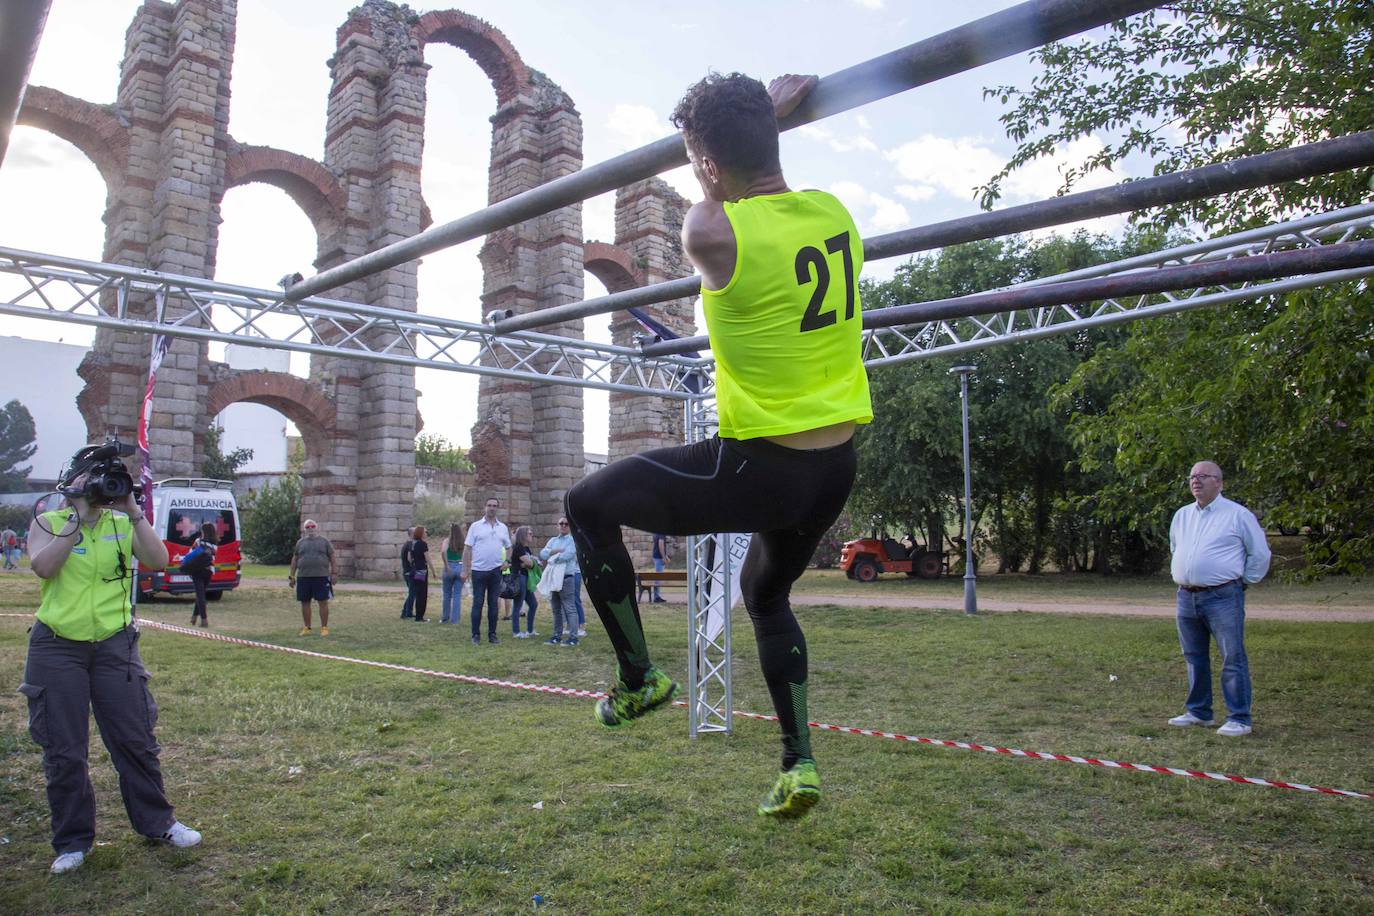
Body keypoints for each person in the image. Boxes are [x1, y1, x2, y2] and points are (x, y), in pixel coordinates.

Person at [565, 72, 869, 819]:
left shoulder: (709, 230)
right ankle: (799, 765)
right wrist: (764, 116)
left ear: (704, 164)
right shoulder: (835, 214)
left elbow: (721, 194)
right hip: (835, 467)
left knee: (585, 504)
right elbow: (755, 174)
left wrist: (731, 138)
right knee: (765, 594)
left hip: (760, 467)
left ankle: (639, 677)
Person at [19, 444, 201, 875]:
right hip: (57, 647)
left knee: (135, 739)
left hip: (115, 645)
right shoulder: (50, 522)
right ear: (71, 483)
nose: (103, 488)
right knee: (65, 749)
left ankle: (159, 823)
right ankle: (73, 841)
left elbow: (158, 560)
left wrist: (133, 509)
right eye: (93, 480)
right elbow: (44, 568)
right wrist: (79, 520)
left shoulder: (122, 524)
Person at [1167, 461, 1272, 737]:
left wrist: (1243, 582)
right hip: (1186, 596)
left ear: (1219, 482)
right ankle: (1199, 712)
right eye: (1192, 476)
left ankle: (1239, 718)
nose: (1196, 481)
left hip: (1223, 596)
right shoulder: (1182, 515)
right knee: (1193, 656)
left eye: (1203, 476)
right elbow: (1175, 547)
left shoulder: (1238, 515)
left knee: (1232, 656)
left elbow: (1259, 554)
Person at [465, 497, 510, 645]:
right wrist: (465, 569)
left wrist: (507, 562)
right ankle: (475, 635)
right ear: (485, 507)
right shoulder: (476, 526)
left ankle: (492, 635)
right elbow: (467, 548)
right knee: (477, 603)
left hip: (496, 571)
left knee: (493, 604)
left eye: (495, 506)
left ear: (498, 508)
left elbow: (509, 547)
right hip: (478, 570)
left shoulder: (502, 527)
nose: (492, 508)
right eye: (489, 505)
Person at [289, 518, 335, 636]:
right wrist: (292, 576)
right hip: (304, 577)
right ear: (304, 529)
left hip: (321, 576)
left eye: (312, 526)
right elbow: (295, 559)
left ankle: (324, 628)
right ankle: (307, 627)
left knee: (323, 602)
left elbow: (332, 557)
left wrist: (334, 573)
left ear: (316, 527)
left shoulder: (324, 541)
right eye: (308, 527)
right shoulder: (300, 543)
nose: (310, 529)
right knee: (305, 602)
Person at [539, 517, 580, 646]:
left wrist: (552, 558)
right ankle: (557, 635)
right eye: (561, 523)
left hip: (566, 578)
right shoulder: (553, 540)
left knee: (569, 608)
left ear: (570, 526)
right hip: (553, 578)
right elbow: (543, 554)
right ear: (557, 526)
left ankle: (573, 638)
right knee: (556, 608)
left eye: (566, 524)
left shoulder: (572, 540)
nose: (563, 525)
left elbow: (569, 555)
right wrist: (555, 552)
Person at [509, 525, 539, 638]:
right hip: (519, 577)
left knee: (533, 604)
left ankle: (530, 630)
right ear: (523, 535)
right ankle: (516, 632)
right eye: (529, 534)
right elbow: (530, 563)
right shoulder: (519, 548)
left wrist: (529, 562)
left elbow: (528, 563)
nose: (532, 535)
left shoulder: (526, 549)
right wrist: (532, 562)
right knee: (518, 605)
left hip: (526, 578)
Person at [188, 522, 217, 628]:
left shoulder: (198, 541)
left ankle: (204, 620)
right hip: (209, 571)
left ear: (203, 531)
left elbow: (190, 553)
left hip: (197, 571)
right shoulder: (214, 544)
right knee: (201, 594)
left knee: (200, 595)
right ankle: (194, 617)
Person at [406, 525, 437, 623]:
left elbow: (409, 558)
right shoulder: (423, 544)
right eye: (425, 532)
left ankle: (417, 615)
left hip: (414, 570)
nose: (426, 533)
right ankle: (419, 616)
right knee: (422, 593)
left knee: (416, 592)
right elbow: (428, 559)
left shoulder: (412, 543)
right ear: (421, 533)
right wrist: (433, 571)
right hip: (421, 570)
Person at [439, 522, 466, 626]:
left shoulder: (447, 541)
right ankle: (455, 620)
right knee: (457, 595)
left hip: (449, 566)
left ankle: (445, 617)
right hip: (460, 566)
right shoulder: (463, 542)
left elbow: (442, 552)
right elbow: (467, 555)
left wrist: (446, 566)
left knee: (446, 594)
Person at [399, 526, 417, 619]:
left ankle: (407, 612)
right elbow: (410, 558)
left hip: (408, 572)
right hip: (410, 572)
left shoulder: (407, 544)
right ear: (412, 534)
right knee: (412, 593)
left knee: (413, 592)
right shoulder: (410, 544)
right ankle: (406, 613)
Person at [650, 533, 670, 603]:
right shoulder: (661, 533)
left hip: (656, 556)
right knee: (658, 577)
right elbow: (660, 544)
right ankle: (656, 597)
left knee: (658, 577)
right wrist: (664, 557)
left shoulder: (655, 533)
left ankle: (657, 596)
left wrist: (665, 556)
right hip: (659, 557)